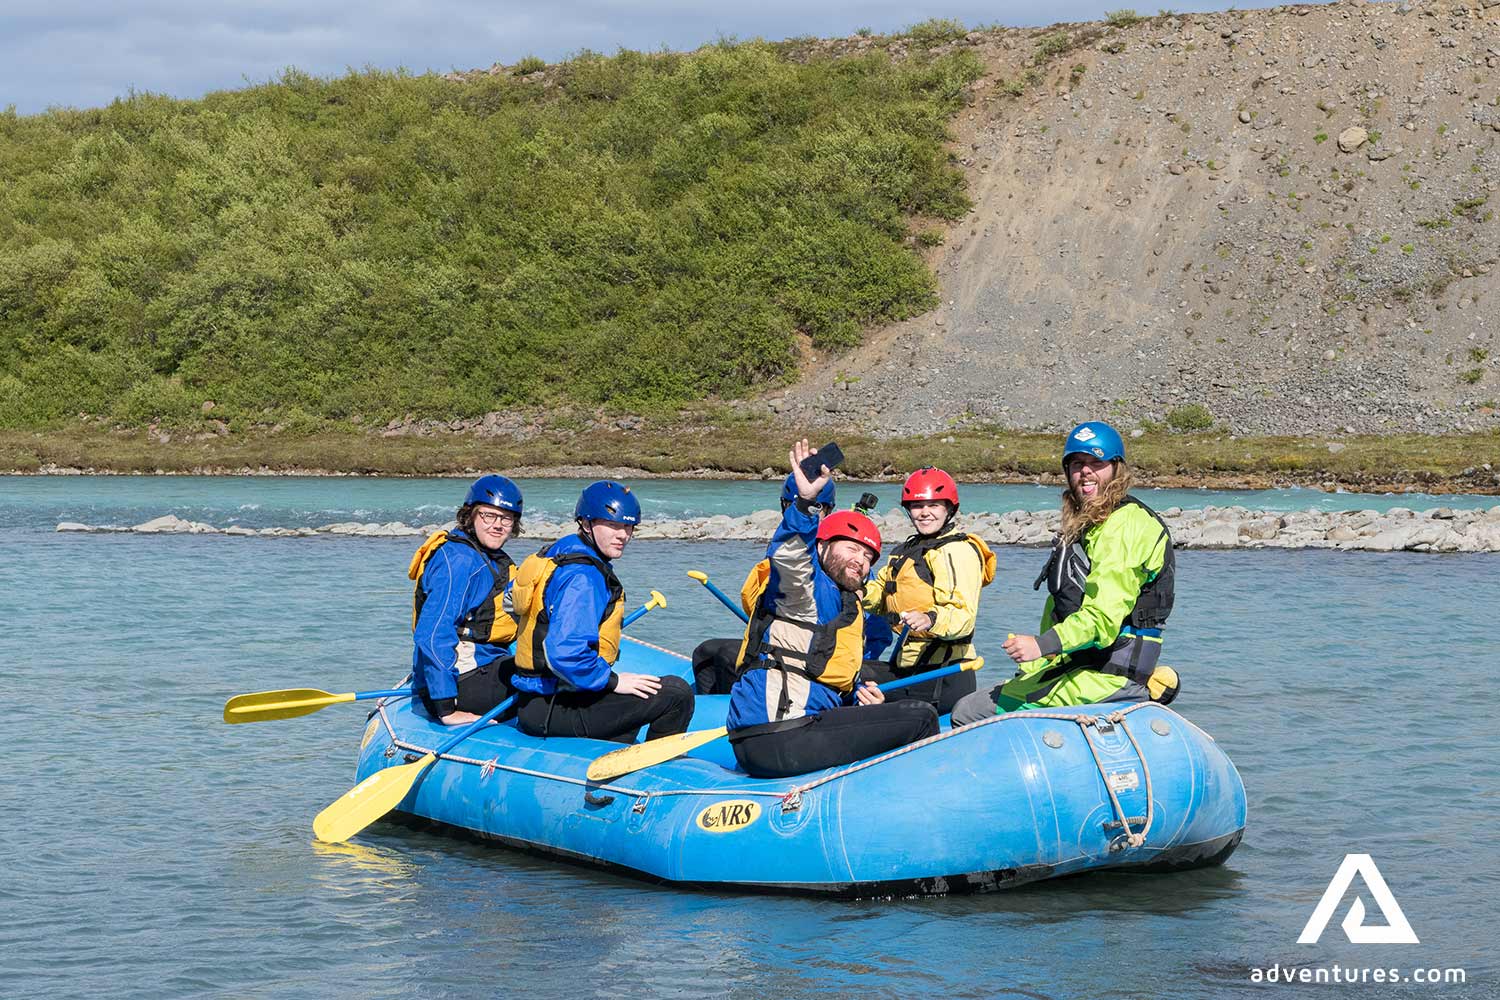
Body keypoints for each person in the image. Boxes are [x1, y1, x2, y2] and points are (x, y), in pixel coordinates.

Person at [725, 441, 939, 778]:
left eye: (869, 557)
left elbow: (823, 668)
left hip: (790, 727)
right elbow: (791, 554)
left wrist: (857, 695)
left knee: (885, 705)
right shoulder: (804, 589)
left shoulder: (846, 602)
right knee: (922, 717)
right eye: (852, 549)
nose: (861, 561)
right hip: (779, 731)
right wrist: (806, 503)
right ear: (823, 546)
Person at [952, 422, 1179, 725]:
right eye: (1077, 464)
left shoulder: (1124, 526)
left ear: (1116, 469)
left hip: (1107, 677)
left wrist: (1040, 645)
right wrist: (1038, 662)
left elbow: (1101, 620)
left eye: (1096, 463)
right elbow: (1066, 608)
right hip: (1082, 668)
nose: (1085, 472)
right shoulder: (1094, 525)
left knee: (968, 712)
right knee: (995, 694)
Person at [508, 480, 694, 743]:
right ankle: (653, 775)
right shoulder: (583, 576)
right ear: (586, 524)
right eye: (614, 525)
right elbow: (565, 653)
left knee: (637, 692)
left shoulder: (556, 553)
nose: (623, 535)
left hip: (539, 700)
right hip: (555, 707)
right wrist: (613, 682)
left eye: (629, 527)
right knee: (676, 693)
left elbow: (510, 601)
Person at [860, 467, 996, 715]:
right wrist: (853, 591)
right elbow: (881, 592)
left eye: (933, 505)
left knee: (856, 682)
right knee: (845, 670)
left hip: (944, 676)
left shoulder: (957, 551)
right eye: (916, 506)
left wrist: (930, 618)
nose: (924, 513)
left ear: (949, 508)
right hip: (910, 666)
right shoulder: (910, 549)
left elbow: (963, 617)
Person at [690, 473, 838, 695]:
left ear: (828, 511)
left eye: (815, 507)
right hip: (778, 638)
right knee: (706, 651)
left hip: (803, 652)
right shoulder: (785, 545)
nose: (804, 511)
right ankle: (709, 711)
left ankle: (732, 706)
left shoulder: (832, 553)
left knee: (724, 656)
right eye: (793, 505)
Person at [408, 475, 525, 725]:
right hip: (460, 681)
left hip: (483, 663)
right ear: (470, 515)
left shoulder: (488, 556)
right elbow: (433, 634)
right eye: (488, 515)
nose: (498, 525)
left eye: (506, 518)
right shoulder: (459, 561)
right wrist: (447, 709)